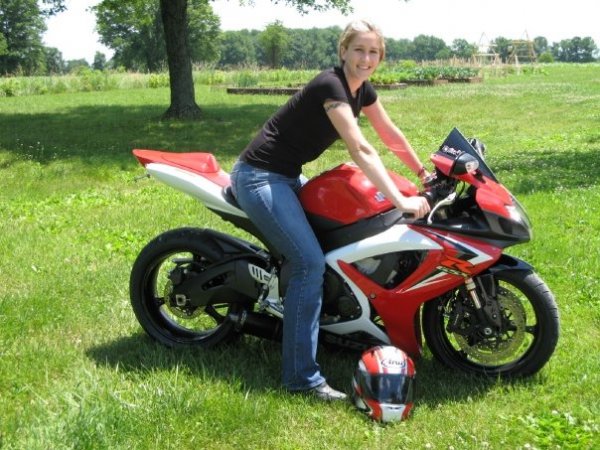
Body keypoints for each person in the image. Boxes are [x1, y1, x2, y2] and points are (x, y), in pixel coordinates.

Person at [230, 20, 431, 401]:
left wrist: (423, 173)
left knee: (336, 240)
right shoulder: (331, 85)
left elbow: (388, 133)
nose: (366, 58)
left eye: (373, 52)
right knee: (309, 264)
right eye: (359, 50)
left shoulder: (361, 89)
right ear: (343, 52)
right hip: (259, 177)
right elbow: (360, 147)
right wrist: (401, 201)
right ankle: (301, 378)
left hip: (288, 176)